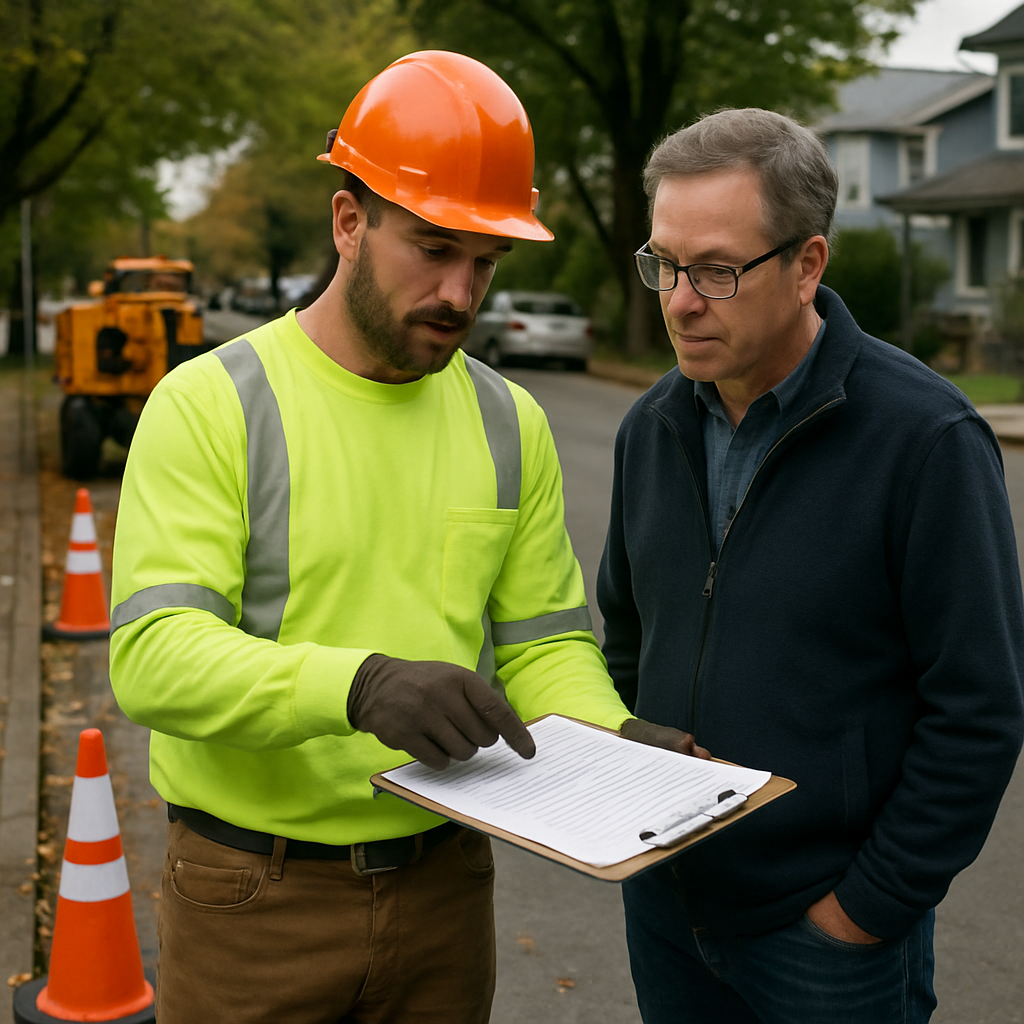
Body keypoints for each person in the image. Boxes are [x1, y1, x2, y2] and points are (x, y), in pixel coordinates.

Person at [108, 50, 697, 1024]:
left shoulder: (510, 422)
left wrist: (616, 745)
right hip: (254, 897)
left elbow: (544, 645)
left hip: (443, 890)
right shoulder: (213, 406)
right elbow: (152, 657)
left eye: (485, 262)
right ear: (349, 222)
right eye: (433, 247)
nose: (460, 294)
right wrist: (361, 683)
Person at [596, 107, 1024, 1024]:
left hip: (826, 941)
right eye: (664, 263)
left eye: (716, 270)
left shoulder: (927, 440)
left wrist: (863, 913)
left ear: (807, 265)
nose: (678, 299)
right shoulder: (651, 427)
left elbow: (979, 708)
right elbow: (628, 640)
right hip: (667, 909)